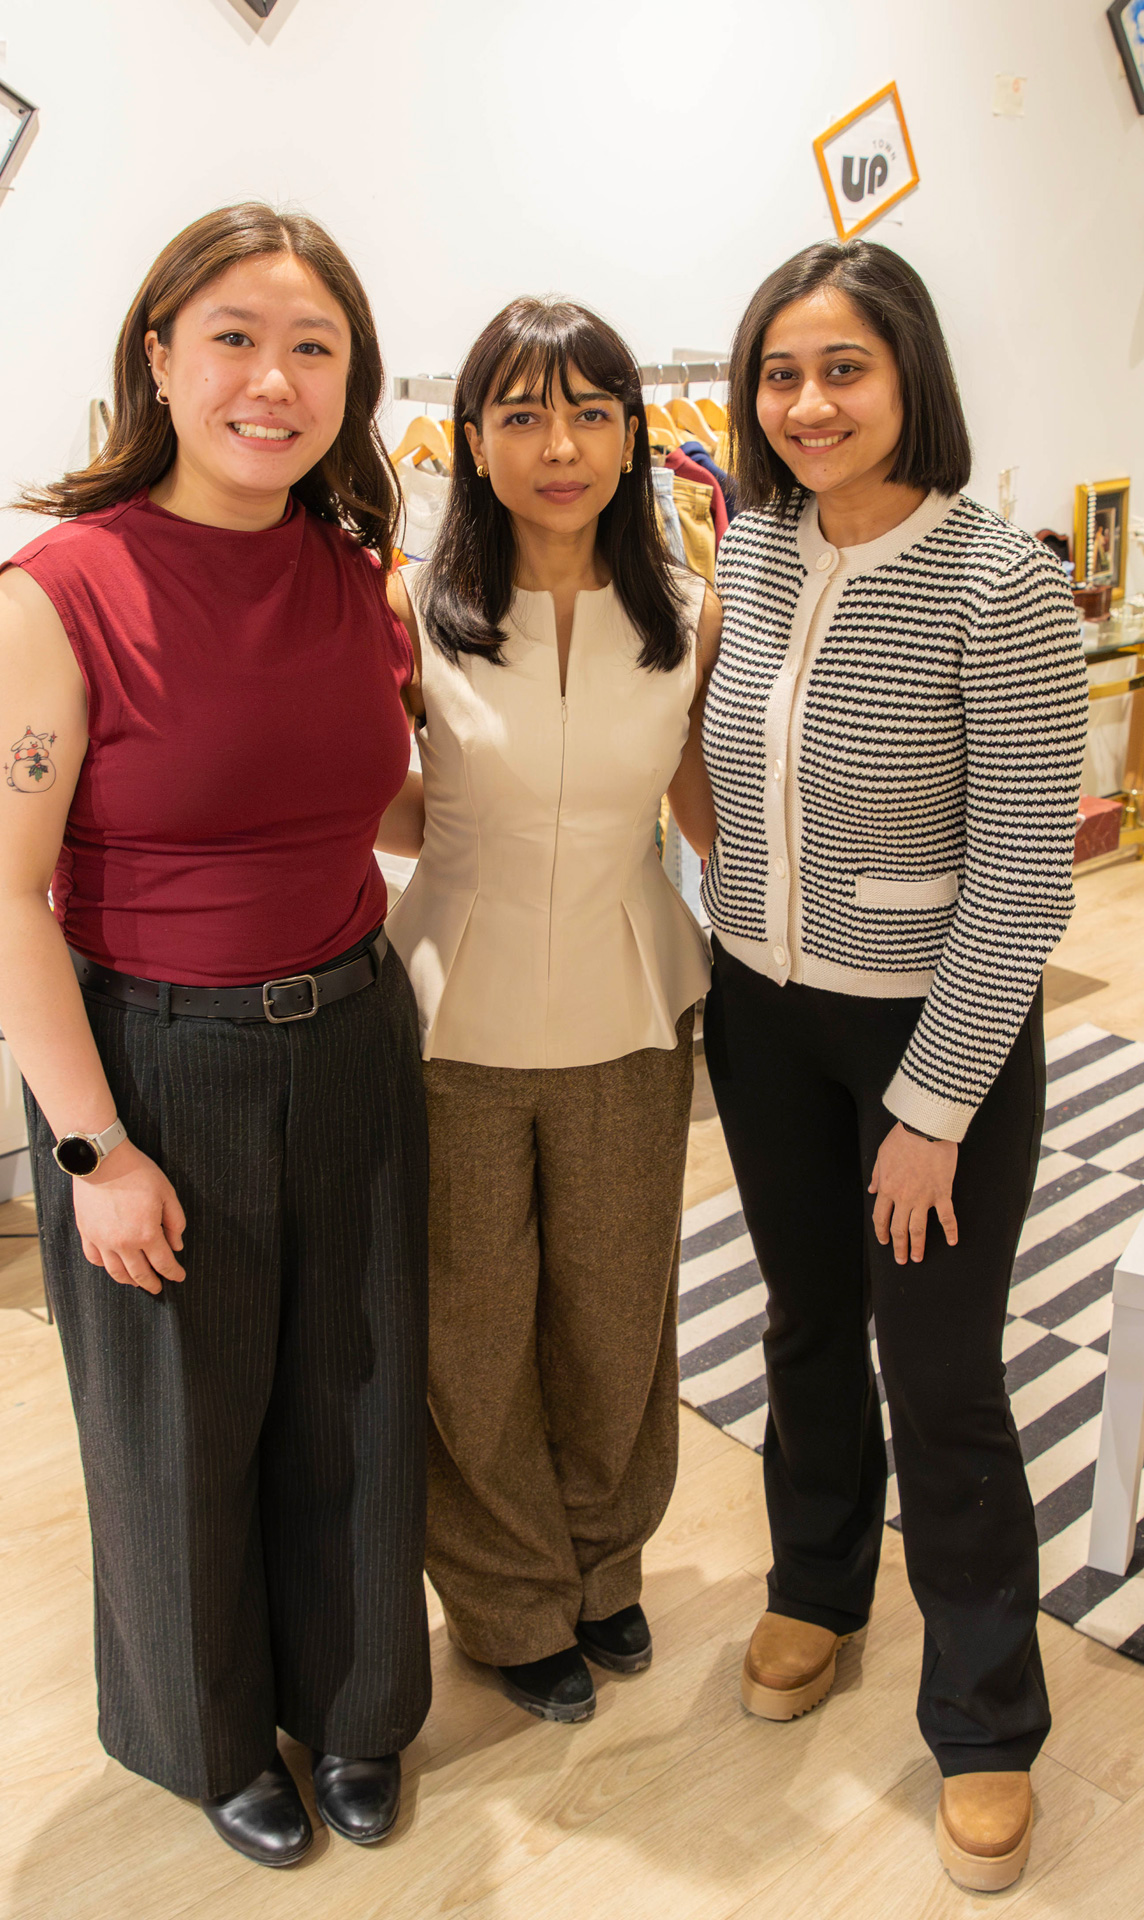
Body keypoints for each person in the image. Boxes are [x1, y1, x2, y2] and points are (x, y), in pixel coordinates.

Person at [0, 203, 431, 1870]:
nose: (273, 380)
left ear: (351, 378)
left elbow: (391, 804)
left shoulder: (354, 572)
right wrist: (92, 1148)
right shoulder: (56, 594)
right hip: (158, 1060)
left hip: (359, 1035)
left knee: (356, 1399)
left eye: (313, 346)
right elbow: (6, 899)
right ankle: (214, 1735)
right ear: (159, 356)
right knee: (178, 1425)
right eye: (233, 336)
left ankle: (359, 1705)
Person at [698, 239, 1087, 1892]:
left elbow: (1023, 875)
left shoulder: (1002, 584)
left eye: (842, 368)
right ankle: (815, 1585)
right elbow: (711, 770)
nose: (808, 404)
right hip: (764, 1016)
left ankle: (989, 1718)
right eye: (781, 373)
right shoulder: (757, 548)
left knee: (941, 1371)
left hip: (932, 1032)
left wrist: (930, 1110)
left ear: (909, 373)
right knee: (802, 1320)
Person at [381, 297, 720, 1723]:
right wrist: (454, 836)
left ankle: (605, 1567)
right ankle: (509, 1600)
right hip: (453, 1020)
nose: (558, 445)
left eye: (588, 412)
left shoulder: (686, 604)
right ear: (470, 440)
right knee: (468, 1328)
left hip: (634, 1011)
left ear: (636, 433)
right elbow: (373, 793)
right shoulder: (413, 603)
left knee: (617, 1316)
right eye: (520, 415)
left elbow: (708, 810)